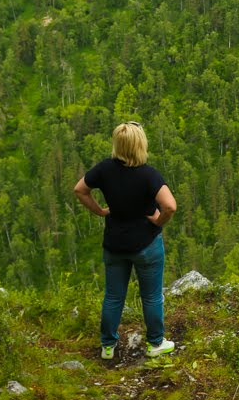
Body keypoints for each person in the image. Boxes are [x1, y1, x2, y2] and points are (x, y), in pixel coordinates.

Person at [73, 121, 178, 360]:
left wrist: (100, 211)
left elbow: (80, 190)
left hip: (114, 244)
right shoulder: (148, 175)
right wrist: (158, 222)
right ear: (140, 145)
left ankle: (108, 346)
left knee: (113, 296)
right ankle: (155, 344)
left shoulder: (104, 170)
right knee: (151, 296)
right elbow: (170, 206)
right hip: (146, 245)